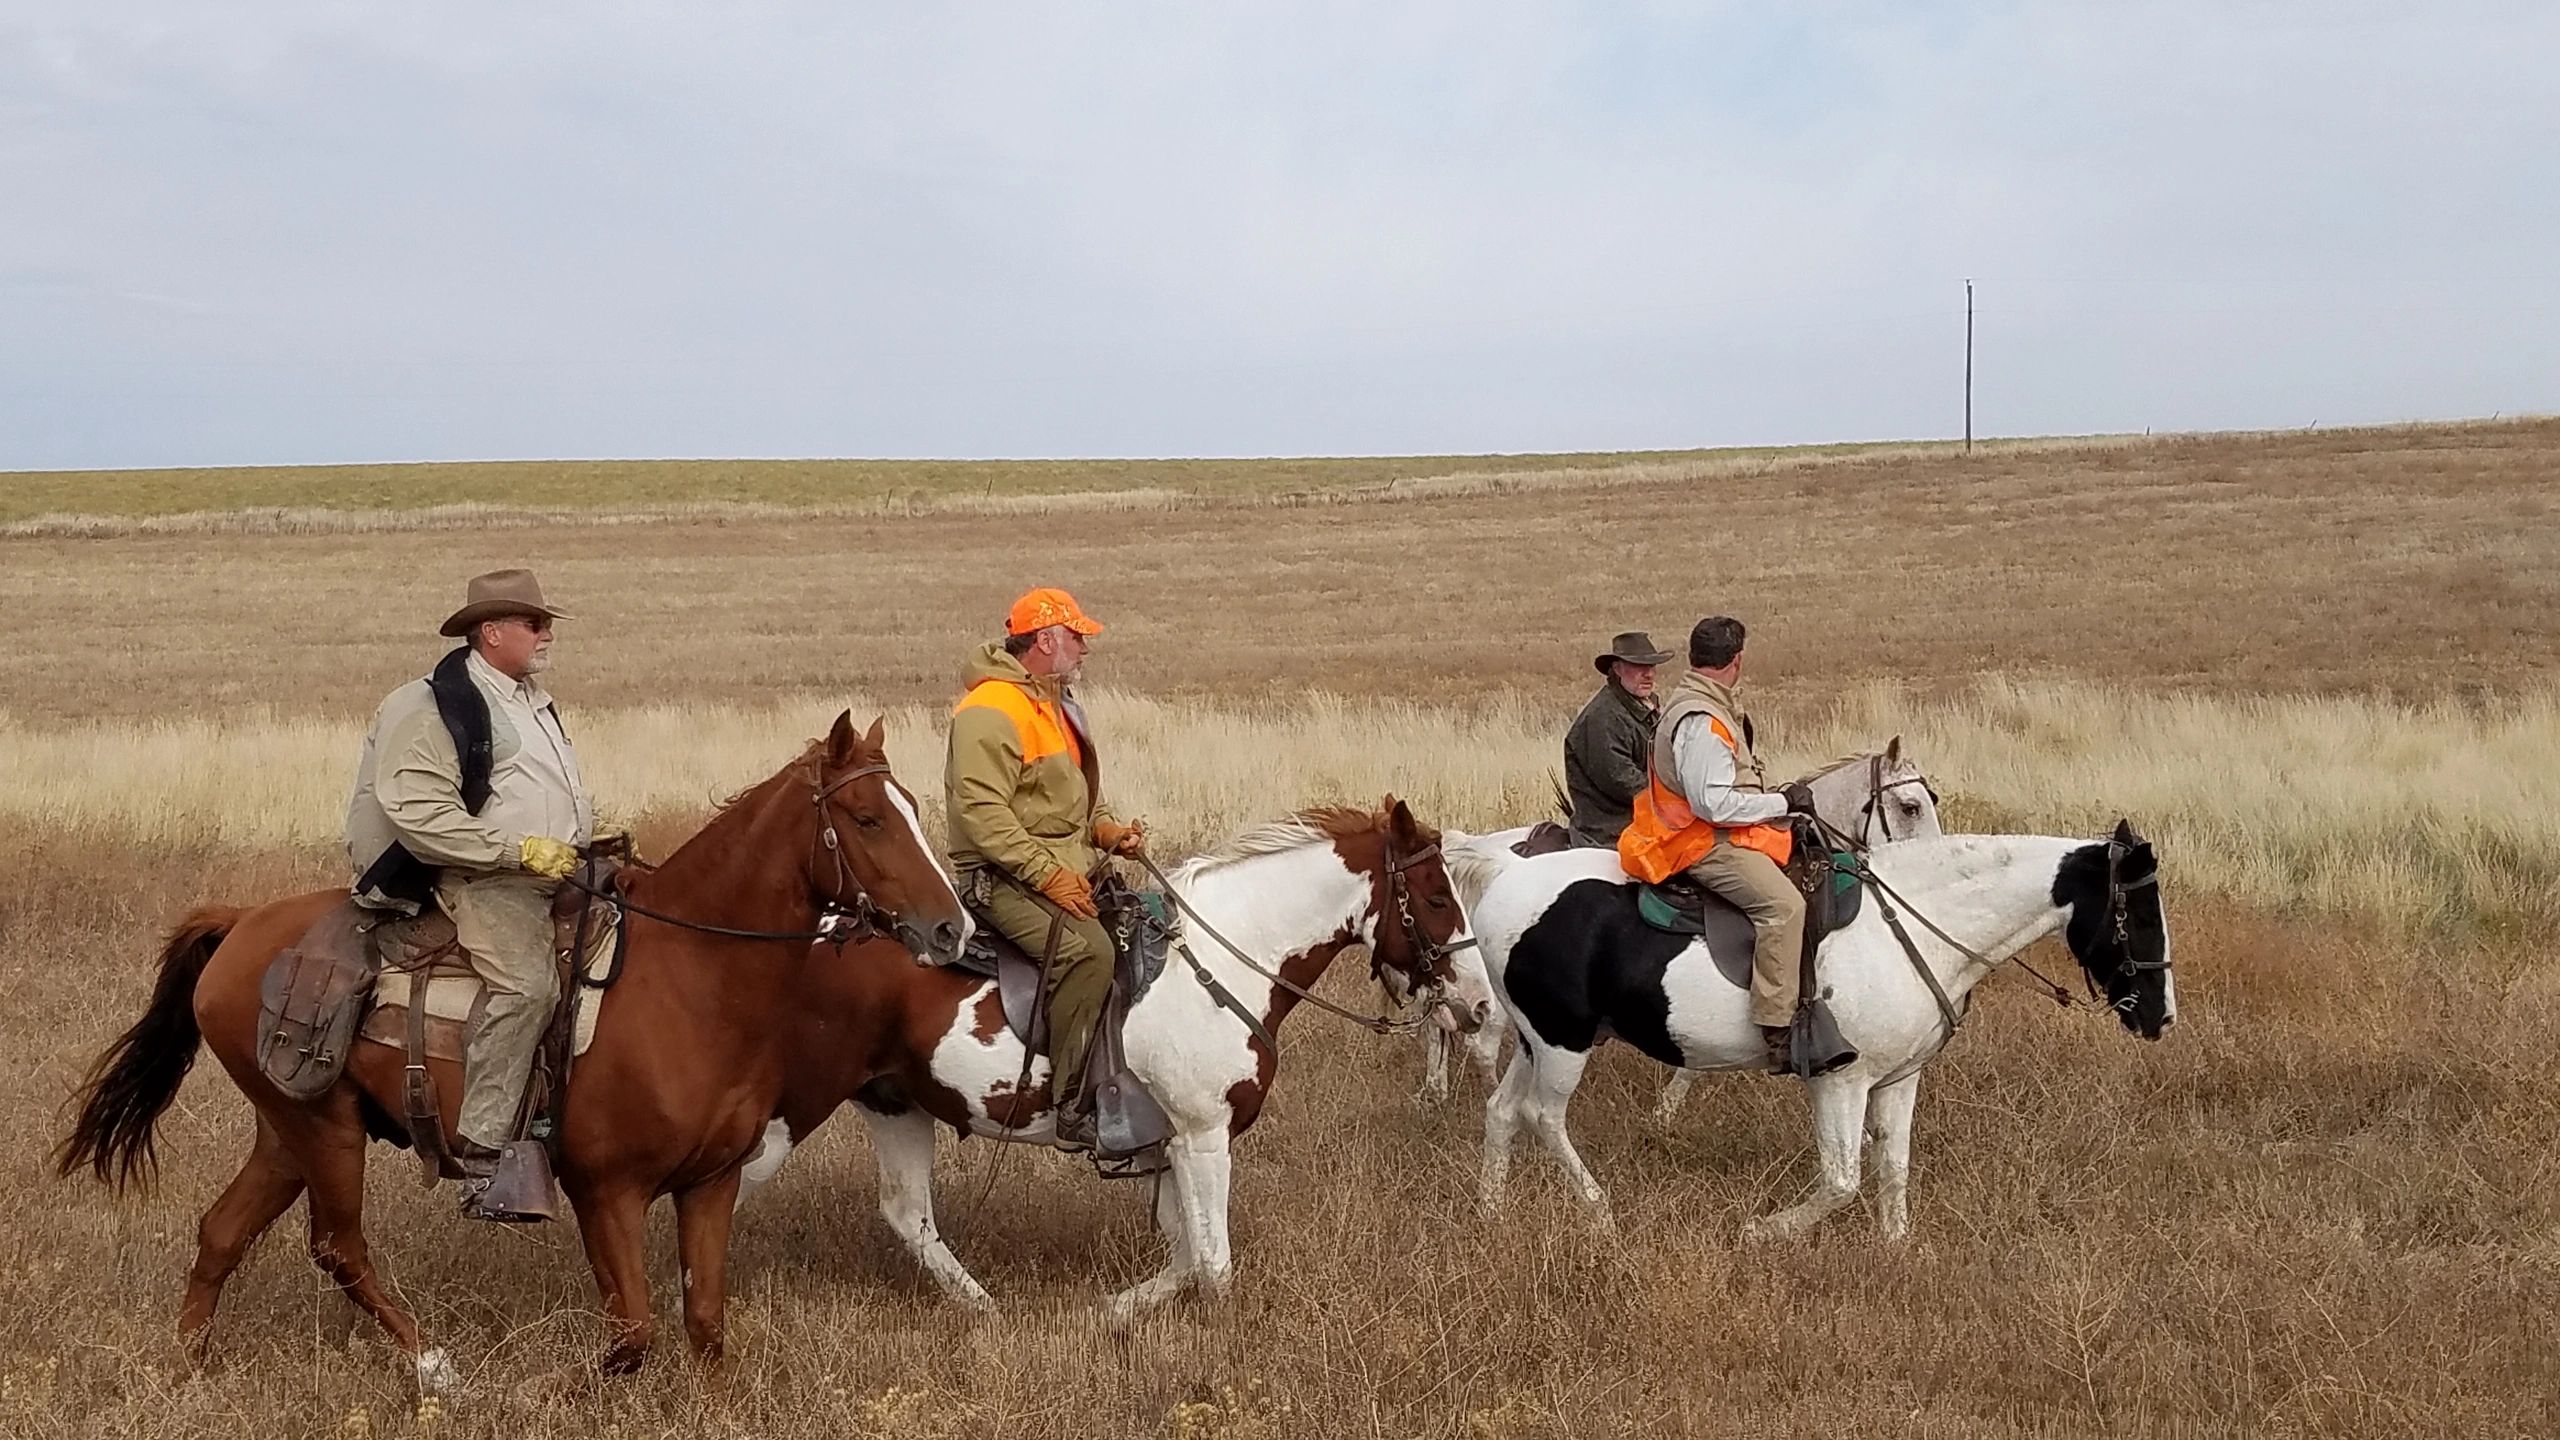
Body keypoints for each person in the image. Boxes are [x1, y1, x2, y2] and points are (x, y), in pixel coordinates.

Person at [344, 569, 593, 1208]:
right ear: (492, 632)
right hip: (483, 879)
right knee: (528, 985)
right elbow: (421, 816)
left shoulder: (526, 697)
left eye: (546, 624)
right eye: (535, 624)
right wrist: (518, 850)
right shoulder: (428, 705)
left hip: (553, 869)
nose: (547, 636)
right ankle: (484, 1146)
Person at [945, 587, 1146, 1151]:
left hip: (1064, 864)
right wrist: (1048, 875)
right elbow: (983, 815)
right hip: (1004, 877)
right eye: (1078, 637)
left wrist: (1105, 829)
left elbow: (1074, 793)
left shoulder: (1053, 702)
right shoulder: (990, 710)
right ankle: (1073, 1105)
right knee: (1090, 953)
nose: (1086, 648)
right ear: (1046, 640)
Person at [1616, 616, 1824, 1071]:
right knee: (1784, 906)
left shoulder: (1702, 704)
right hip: (1697, 843)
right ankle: (1777, 1027)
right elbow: (1712, 805)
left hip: (1711, 832)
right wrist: (1780, 802)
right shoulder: (1703, 719)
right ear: (1738, 660)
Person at [1563, 631, 1672, 847]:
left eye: (1652, 666)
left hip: (1642, 822)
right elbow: (1625, 782)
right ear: (1617, 669)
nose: (1649, 674)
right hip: (1609, 833)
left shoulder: (1644, 706)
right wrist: (1679, 798)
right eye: (1639, 666)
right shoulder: (1603, 718)